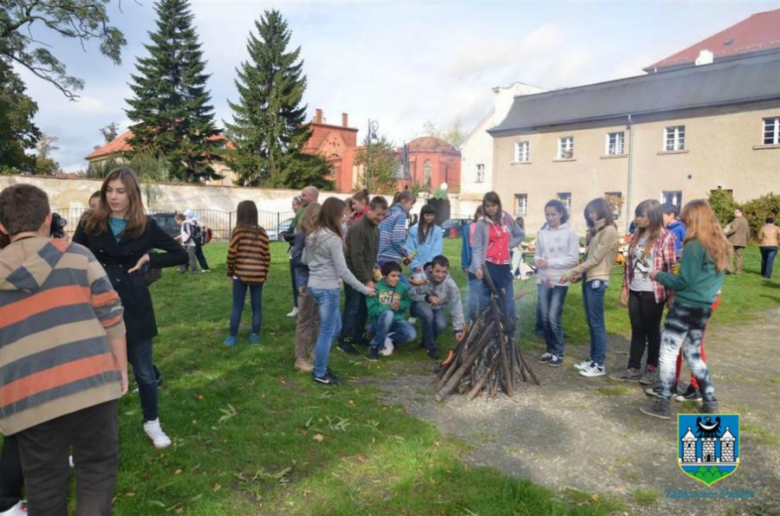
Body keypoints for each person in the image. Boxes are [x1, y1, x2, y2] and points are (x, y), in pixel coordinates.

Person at [0, 184, 128, 515]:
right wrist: (120, 366)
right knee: (97, 470)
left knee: (43, 482)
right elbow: (111, 314)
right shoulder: (78, 255)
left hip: (26, 395)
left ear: (2, 227)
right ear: (48, 218)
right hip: (91, 385)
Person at [74, 167, 187, 449]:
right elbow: (74, 254)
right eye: (109, 190)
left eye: (120, 191)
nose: (113, 196)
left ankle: (152, 422)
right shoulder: (91, 222)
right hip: (96, 303)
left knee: (145, 372)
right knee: (94, 372)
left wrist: (150, 258)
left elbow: (180, 253)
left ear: (131, 193)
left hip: (134, 303)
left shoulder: (144, 225)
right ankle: (91, 433)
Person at [641, 200, 731, 419]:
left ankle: (663, 403)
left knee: (668, 353)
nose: (683, 222)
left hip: (685, 306)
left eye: (685, 219)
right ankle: (710, 401)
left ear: (694, 219)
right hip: (703, 307)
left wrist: (658, 275)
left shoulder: (694, 244)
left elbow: (684, 282)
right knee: (693, 355)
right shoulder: (719, 244)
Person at [303, 197, 375, 385]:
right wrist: (364, 288)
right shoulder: (333, 238)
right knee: (328, 331)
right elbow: (343, 271)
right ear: (334, 214)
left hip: (315, 286)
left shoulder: (312, 234)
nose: (344, 218)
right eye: (342, 215)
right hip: (327, 289)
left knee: (336, 327)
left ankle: (321, 363)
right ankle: (320, 372)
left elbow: (304, 259)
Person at [612, 200, 675, 384]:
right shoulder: (635, 236)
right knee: (637, 330)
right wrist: (625, 286)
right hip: (635, 289)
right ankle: (633, 367)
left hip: (653, 291)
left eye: (642, 215)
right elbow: (628, 265)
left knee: (652, 330)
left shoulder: (665, 237)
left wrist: (672, 293)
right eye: (637, 215)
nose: (637, 219)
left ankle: (652, 366)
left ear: (653, 216)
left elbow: (671, 267)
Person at [561, 198, 620, 378]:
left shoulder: (609, 231)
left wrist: (571, 272)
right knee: (591, 322)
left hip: (598, 280)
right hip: (590, 278)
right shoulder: (598, 231)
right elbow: (590, 260)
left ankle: (599, 364)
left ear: (602, 211)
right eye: (588, 213)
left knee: (596, 323)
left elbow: (595, 259)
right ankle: (593, 359)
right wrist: (580, 274)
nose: (590, 216)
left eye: (592, 212)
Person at [339, 196, 388, 355]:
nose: (380, 218)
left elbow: (371, 254)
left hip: (367, 274)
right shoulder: (359, 228)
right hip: (354, 275)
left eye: (383, 215)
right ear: (370, 209)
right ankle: (344, 339)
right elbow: (356, 257)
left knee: (363, 308)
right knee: (352, 307)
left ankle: (357, 335)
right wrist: (366, 280)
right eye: (378, 214)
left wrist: (374, 273)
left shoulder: (375, 228)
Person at [534, 200, 579, 368]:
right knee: (544, 317)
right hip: (543, 279)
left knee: (554, 316)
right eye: (547, 214)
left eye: (553, 214)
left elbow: (573, 258)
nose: (550, 217)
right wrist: (539, 262)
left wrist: (550, 263)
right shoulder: (542, 233)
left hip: (559, 279)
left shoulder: (570, 234)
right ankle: (549, 349)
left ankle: (559, 351)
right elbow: (537, 254)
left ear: (561, 213)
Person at [469, 192, 525, 324]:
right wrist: (477, 267)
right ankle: (484, 329)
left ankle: (508, 329)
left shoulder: (507, 218)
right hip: (488, 265)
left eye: (493, 205)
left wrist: (508, 245)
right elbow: (476, 247)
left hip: (504, 265)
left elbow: (520, 234)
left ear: (498, 205)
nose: (490, 208)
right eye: (487, 206)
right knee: (484, 301)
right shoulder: (481, 224)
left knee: (507, 299)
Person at [225, 200, 271, 346]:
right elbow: (267, 255)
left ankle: (232, 336)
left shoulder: (238, 230)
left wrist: (229, 271)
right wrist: (264, 274)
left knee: (237, 305)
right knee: (256, 306)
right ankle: (255, 335)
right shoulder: (262, 232)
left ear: (240, 213)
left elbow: (232, 253)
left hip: (240, 274)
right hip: (258, 274)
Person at [409, 256, 467, 359]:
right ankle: (432, 347)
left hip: (437, 307)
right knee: (428, 315)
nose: (440, 275)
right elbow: (410, 294)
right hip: (419, 304)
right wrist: (427, 297)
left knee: (441, 325)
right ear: (431, 268)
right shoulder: (421, 277)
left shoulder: (451, 285)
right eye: (437, 271)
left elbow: (456, 305)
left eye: (443, 272)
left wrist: (458, 329)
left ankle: (425, 341)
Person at [291, 203, 321, 372]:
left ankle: (314, 352)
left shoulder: (320, 234)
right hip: (307, 282)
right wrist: (313, 262)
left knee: (317, 319)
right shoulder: (303, 234)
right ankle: (300, 357)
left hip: (319, 282)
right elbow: (295, 259)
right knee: (304, 320)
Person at [366, 262, 417, 361]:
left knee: (411, 335)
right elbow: (372, 311)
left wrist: (399, 306)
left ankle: (388, 339)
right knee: (389, 314)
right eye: (393, 276)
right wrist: (388, 306)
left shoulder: (403, 288)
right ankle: (374, 346)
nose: (396, 279)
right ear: (384, 276)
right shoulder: (376, 288)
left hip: (397, 320)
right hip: (380, 321)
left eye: (398, 276)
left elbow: (408, 302)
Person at [378, 190, 416, 269]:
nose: (412, 207)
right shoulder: (401, 215)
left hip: (381, 255)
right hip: (392, 258)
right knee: (401, 281)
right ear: (404, 201)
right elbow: (397, 240)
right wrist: (408, 253)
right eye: (411, 204)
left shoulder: (389, 213)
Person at [406, 204, 442, 284]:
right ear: (422, 215)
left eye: (432, 215)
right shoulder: (414, 230)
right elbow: (410, 249)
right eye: (427, 215)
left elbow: (437, 250)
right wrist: (416, 265)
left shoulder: (437, 230)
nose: (430, 217)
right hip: (416, 269)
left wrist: (425, 265)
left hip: (431, 268)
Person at [461, 206, 483, 323]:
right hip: (472, 264)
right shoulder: (469, 228)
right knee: (473, 291)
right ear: (477, 214)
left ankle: (483, 315)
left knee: (483, 293)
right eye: (480, 215)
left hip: (484, 265)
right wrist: (465, 264)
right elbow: (465, 247)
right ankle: (471, 316)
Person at [725, 208, 749, 275]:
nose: (734, 213)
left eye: (736, 212)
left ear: (741, 212)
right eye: (734, 212)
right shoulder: (745, 221)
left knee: (729, 255)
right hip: (742, 241)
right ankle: (738, 271)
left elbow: (733, 230)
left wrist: (725, 233)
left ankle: (729, 270)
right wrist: (747, 239)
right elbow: (747, 231)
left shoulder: (736, 220)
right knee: (739, 256)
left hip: (733, 240)